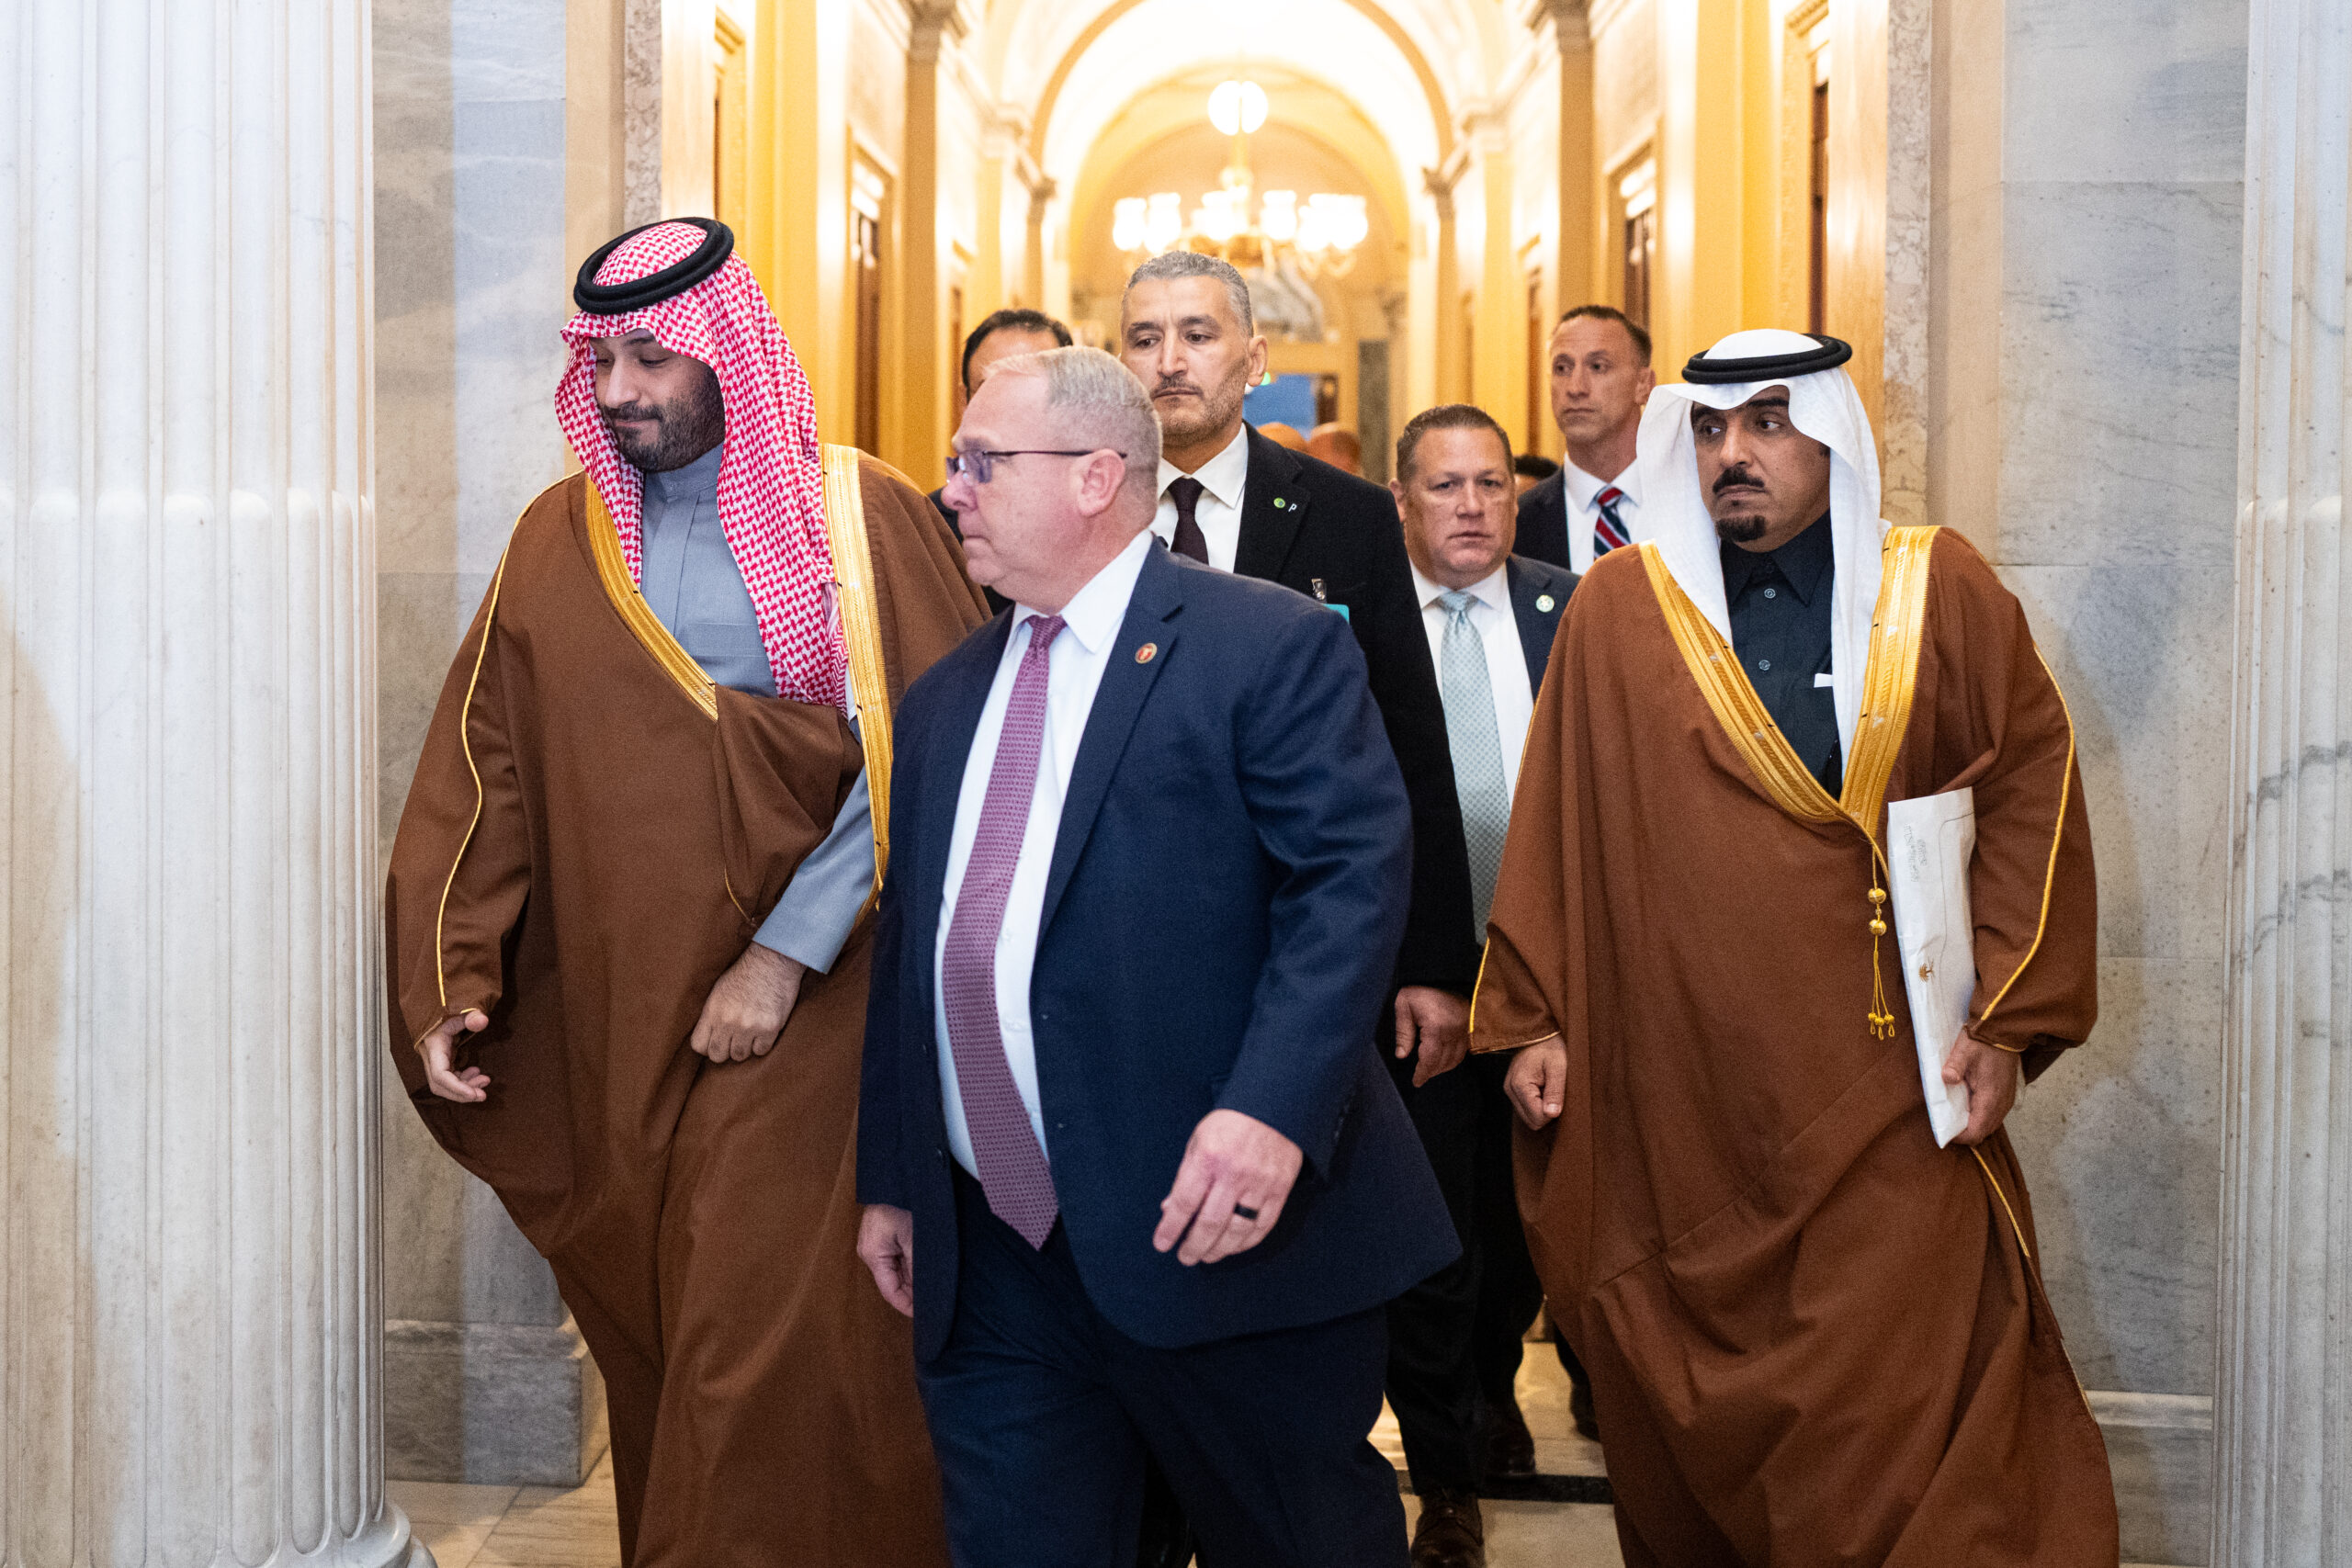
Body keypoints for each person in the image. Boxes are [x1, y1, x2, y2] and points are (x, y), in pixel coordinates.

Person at [385, 219, 989, 1567]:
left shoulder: (860, 515)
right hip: (631, 1003)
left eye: (651, 356)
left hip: (827, 998)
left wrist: (781, 954)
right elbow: (487, 771)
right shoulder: (560, 539)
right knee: (668, 1330)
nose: (619, 390)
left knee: (754, 1326)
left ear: (729, 352)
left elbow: (927, 755)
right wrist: (453, 975)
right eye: (599, 360)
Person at [1474, 329, 2117, 1564]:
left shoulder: (1937, 589)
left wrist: (2007, 1019)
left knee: (1915, 1415)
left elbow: (2029, 791)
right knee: (1699, 1417)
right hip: (1684, 1100)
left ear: (1832, 437)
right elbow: (1555, 821)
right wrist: (1534, 1011)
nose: (1736, 453)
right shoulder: (1621, 612)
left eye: (1769, 423)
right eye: (1713, 428)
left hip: (1894, 1086)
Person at [856, 346, 1456, 1568]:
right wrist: (895, 1173)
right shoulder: (944, 698)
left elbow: (1346, 888)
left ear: (1094, 476)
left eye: (982, 462)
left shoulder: (1266, 643)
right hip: (998, 1253)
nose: (951, 489)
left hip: (1224, 1230)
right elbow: (915, 941)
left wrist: (1271, 1111)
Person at [1117, 249, 1478, 1112]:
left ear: (1255, 358)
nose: (1171, 361)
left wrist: (1434, 963)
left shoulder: (1349, 515)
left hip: (1308, 930)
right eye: (1145, 338)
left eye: (1198, 334)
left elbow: (1409, 738)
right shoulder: (1087, 502)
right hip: (1126, 933)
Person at [1382, 406, 1577, 1568]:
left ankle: (1493, 1389)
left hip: (1550, 990)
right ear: (1401, 501)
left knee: (1523, 1237)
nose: (1471, 506)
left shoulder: (1573, 613)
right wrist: (1416, 969)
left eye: (1492, 484)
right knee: (1436, 1243)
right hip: (1420, 999)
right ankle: (1445, 1478)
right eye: (1445, 485)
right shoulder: (1358, 626)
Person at [1515, 305, 1655, 573]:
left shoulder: (1697, 504)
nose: (1575, 387)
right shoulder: (1519, 524)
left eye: (1597, 367)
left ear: (1643, 384)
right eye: (1562, 368)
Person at [930, 307, 1074, 528]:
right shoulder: (932, 526)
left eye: (1029, 389)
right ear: (965, 402)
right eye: (991, 389)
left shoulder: (1099, 518)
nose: (1011, 408)